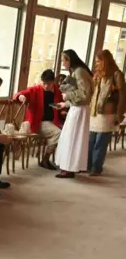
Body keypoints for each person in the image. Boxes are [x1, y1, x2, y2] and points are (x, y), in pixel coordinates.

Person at [55, 49, 94, 178]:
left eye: (63, 61)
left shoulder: (79, 72)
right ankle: (68, 167)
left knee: (73, 139)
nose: (62, 64)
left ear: (69, 60)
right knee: (71, 138)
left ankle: (69, 168)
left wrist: (67, 96)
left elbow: (84, 94)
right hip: (77, 108)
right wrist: (65, 104)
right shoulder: (77, 71)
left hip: (79, 110)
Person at [13, 69, 63, 170]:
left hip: (53, 121)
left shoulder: (57, 91)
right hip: (39, 122)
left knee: (67, 132)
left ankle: (63, 161)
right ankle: (45, 159)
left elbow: (61, 103)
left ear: (53, 82)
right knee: (58, 133)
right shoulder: (35, 89)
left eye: (48, 84)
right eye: (44, 83)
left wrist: (62, 110)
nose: (45, 86)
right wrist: (21, 96)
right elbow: (18, 94)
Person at [88, 49, 126, 176]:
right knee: (90, 140)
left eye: (98, 62)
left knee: (101, 141)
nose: (96, 64)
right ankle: (87, 164)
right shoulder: (99, 74)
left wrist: (119, 114)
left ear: (105, 61)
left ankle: (96, 167)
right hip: (95, 112)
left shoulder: (117, 74)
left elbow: (122, 95)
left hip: (108, 114)